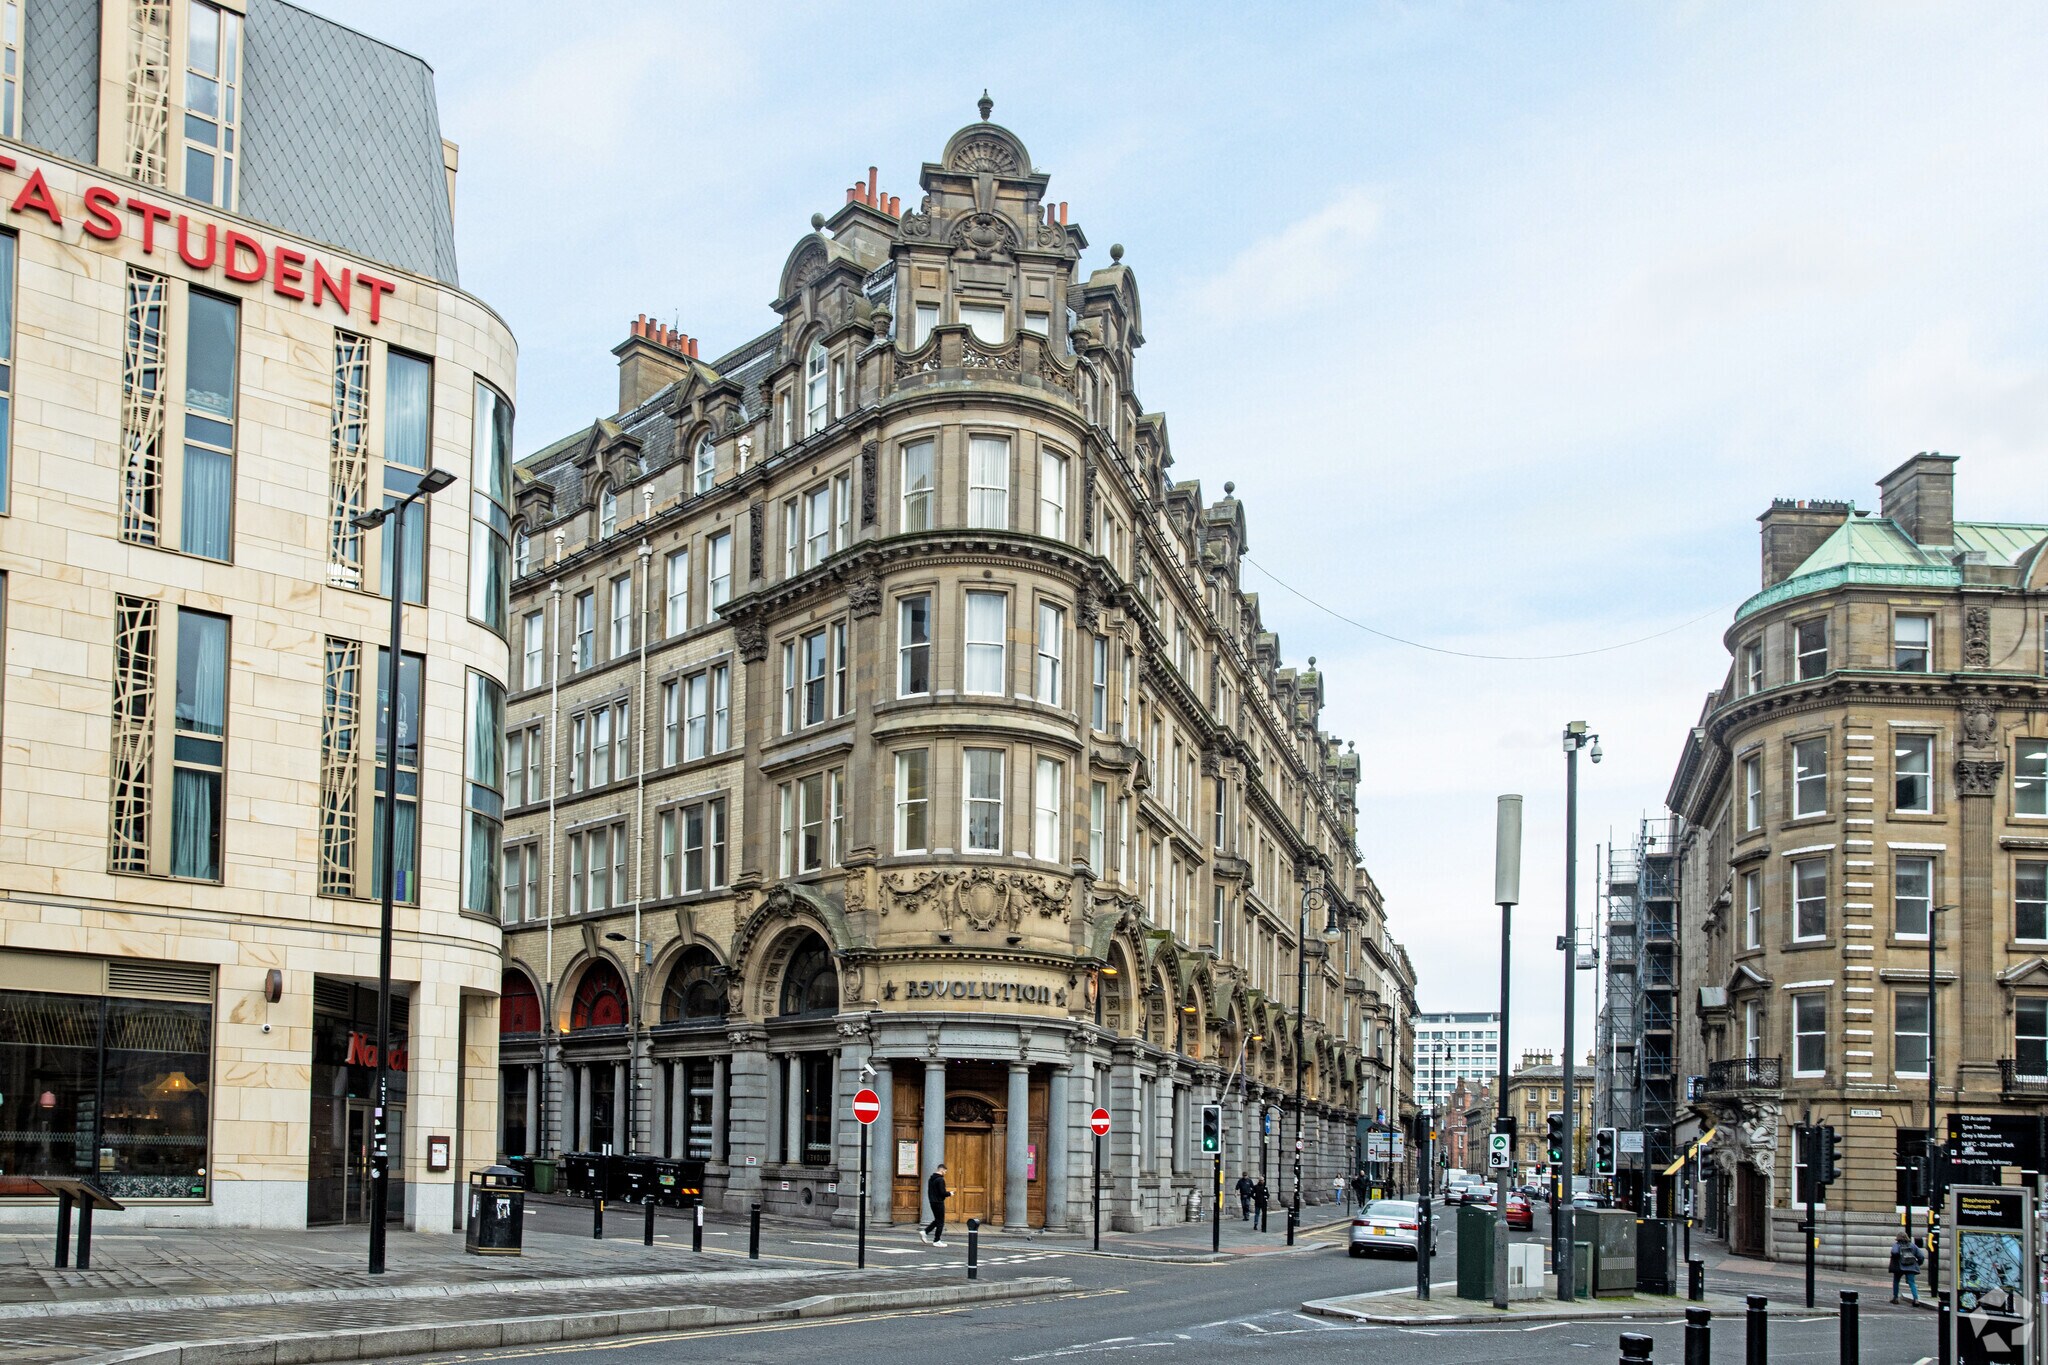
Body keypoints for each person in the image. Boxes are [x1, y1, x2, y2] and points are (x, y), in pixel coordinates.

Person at [1890, 1231, 1924, 1304]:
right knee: (1912, 1283)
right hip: (1911, 1266)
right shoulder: (1912, 1245)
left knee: (1896, 1281)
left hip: (1899, 1267)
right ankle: (1916, 1299)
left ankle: (1895, 1298)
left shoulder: (1897, 1245)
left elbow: (1894, 1252)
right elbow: (1921, 1256)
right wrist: (1918, 1263)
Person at [923, 1163, 950, 1247]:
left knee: (937, 1220)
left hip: (932, 1202)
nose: (945, 1173)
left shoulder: (931, 1179)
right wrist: (950, 1193)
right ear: (941, 1170)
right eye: (945, 1171)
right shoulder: (940, 1180)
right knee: (941, 1222)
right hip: (939, 1202)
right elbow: (942, 1193)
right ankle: (937, 1240)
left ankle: (925, 1231)